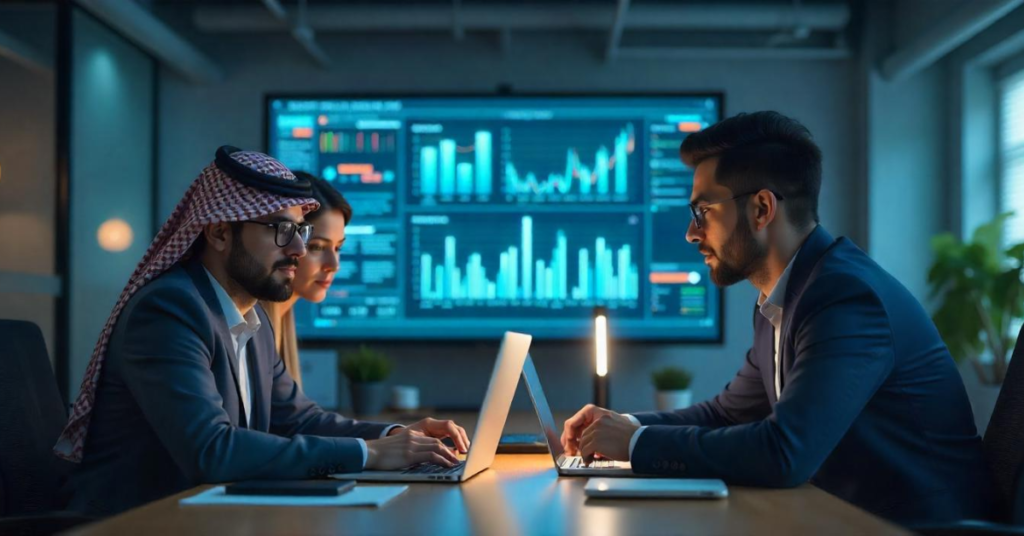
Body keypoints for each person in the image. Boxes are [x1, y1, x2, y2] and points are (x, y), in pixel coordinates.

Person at [559, 112, 994, 524]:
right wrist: (624, 425)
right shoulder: (784, 299)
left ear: (762, 209)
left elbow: (786, 452)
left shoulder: (845, 298)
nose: (692, 233)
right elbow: (728, 414)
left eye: (702, 212)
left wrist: (636, 445)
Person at [55, 146, 469, 516]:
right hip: (136, 524)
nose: (298, 250)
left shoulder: (249, 317)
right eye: (280, 230)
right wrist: (370, 453)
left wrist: (398, 436)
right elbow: (212, 450)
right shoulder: (169, 310)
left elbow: (300, 420)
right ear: (219, 232)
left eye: (300, 231)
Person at [259, 172, 350, 390]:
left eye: (338, 248)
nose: (334, 265)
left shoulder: (279, 327)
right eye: (317, 246)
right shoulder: (247, 331)